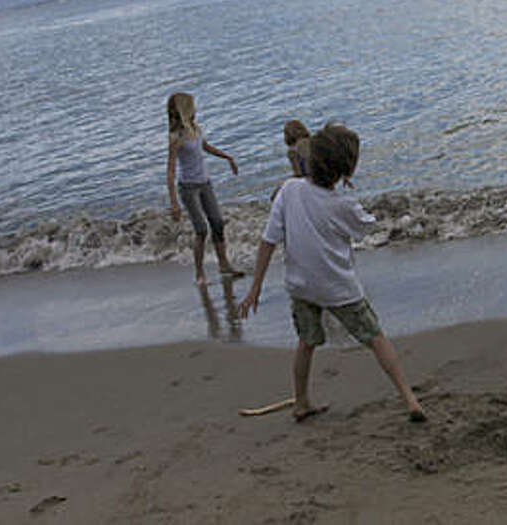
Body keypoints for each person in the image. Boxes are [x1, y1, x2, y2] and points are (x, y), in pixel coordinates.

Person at [240, 123, 427, 423]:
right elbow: (366, 226)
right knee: (375, 338)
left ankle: (301, 402)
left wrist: (255, 288)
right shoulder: (344, 205)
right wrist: (347, 195)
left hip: (301, 287)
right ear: (344, 172)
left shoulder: (289, 191)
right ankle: (410, 399)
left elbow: (268, 241)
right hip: (339, 288)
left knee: (307, 343)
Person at [165, 92, 244, 285]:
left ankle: (224, 265)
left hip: (205, 183)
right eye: (193, 106)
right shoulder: (176, 137)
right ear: (186, 109)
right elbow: (170, 170)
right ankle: (199, 274)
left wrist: (228, 158)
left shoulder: (196, 128)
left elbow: (205, 147)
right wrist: (174, 203)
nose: (196, 109)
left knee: (217, 223)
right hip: (188, 188)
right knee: (201, 230)